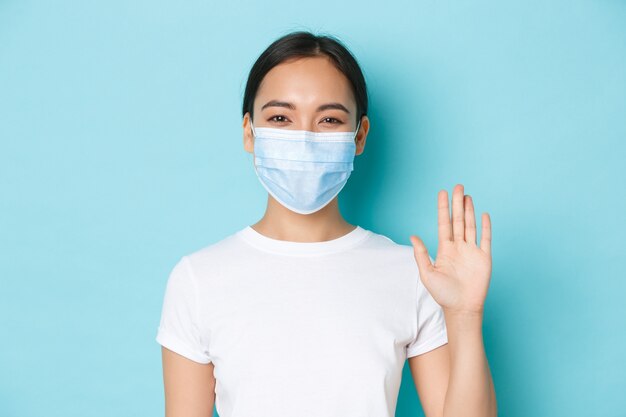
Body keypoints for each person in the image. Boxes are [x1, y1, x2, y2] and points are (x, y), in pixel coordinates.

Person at [156, 30, 497, 417]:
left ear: (360, 135)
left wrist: (465, 317)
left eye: (330, 119)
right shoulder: (198, 279)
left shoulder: (413, 274)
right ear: (249, 132)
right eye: (281, 117)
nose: (304, 138)